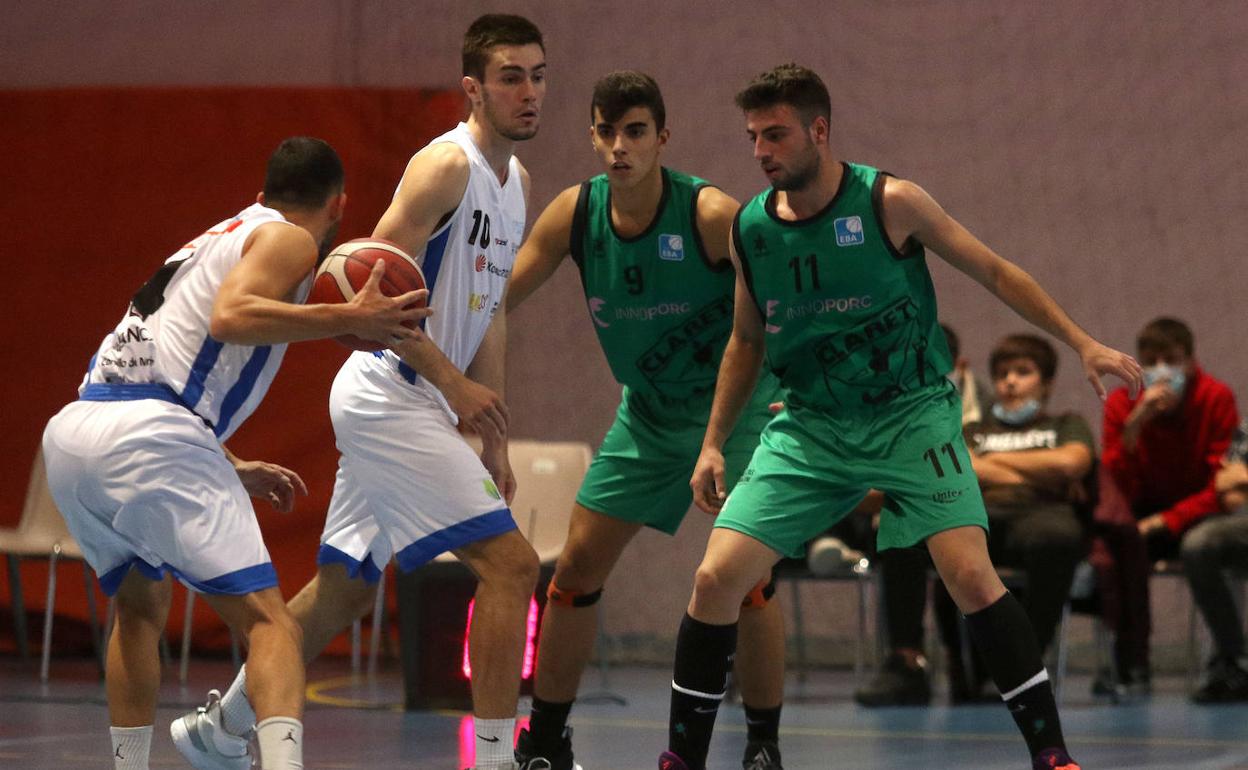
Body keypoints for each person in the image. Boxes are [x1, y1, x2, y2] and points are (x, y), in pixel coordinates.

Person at [660, 64, 1141, 770]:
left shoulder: (890, 202)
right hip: (811, 429)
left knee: (973, 579)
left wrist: (1083, 342)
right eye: (753, 136)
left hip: (913, 418)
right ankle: (682, 760)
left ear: (819, 131)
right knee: (713, 579)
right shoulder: (750, 229)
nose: (761, 151)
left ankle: (1053, 755)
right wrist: (710, 446)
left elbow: (995, 271)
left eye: (776, 134)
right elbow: (746, 341)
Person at [174, 15, 545, 770]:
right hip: (389, 393)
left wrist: (492, 427)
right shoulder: (444, 166)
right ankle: (499, 759)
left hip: (429, 399)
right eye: (511, 76)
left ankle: (218, 729)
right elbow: (371, 289)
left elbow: (493, 308)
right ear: (473, 88)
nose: (529, 91)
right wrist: (449, 382)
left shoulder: (518, 184)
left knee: (344, 588)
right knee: (511, 567)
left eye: (539, 75)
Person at [42, 136, 429, 770]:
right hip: (151, 435)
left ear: (261, 194)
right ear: (339, 205)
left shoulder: (214, 237)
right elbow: (231, 317)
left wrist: (228, 464)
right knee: (272, 626)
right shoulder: (290, 239)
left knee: (139, 607)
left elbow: (160, 359)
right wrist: (345, 316)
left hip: (78, 431)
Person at [505, 71, 787, 770]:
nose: (619, 146)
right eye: (606, 131)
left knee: (747, 583)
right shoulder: (575, 214)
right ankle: (544, 741)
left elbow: (780, 303)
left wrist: (798, 387)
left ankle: (761, 746)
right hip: (649, 418)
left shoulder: (711, 213)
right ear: (592, 136)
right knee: (572, 574)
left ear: (662, 137)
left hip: (739, 414)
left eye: (635, 132)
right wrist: (425, 346)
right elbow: (494, 300)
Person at [933, 333, 1094, 702]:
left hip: (1042, 516)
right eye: (1003, 373)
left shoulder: (1065, 425)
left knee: (1057, 538)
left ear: (1048, 383)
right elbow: (963, 469)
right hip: (983, 515)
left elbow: (1072, 462)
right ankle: (969, 664)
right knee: (943, 536)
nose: (1009, 381)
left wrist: (992, 465)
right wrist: (1039, 473)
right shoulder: (974, 431)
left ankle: (1025, 662)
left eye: (1023, 372)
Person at [1095, 317, 1241, 699]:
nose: (1161, 370)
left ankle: (1232, 659)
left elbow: (1221, 486)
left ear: (1190, 362)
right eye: (1151, 360)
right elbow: (1115, 486)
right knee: (1114, 549)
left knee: (1202, 547)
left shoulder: (1215, 397)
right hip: (1142, 512)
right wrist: (1135, 425)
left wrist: (1167, 521)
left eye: (1171, 359)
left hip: (1198, 512)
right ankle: (1129, 663)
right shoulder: (1121, 402)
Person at [850, 322, 989, 707]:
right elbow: (870, 483)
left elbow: (984, 472)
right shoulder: (883, 407)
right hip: (907, 516)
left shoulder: (984, 411)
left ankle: (978, 666)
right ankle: (906, 662)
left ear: (957, 366)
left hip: (972, 518)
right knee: (898, 533)